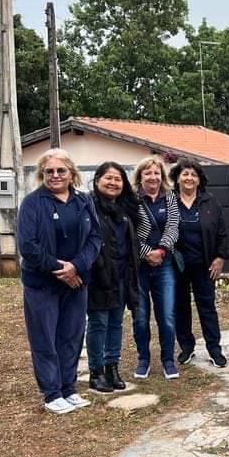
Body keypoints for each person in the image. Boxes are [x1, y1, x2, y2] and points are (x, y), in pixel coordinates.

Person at [17, 148, 101, 415]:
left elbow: (95, 239)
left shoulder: (85, 201)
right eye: (49, 171)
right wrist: (60, 268)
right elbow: (27, 245)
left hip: (76, 282)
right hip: (43, 283)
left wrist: (76, 266)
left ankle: (68, 388)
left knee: (71, 337)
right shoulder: (32, 203)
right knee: (45, 339)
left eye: (60, 170)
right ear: (42, 174)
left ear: (71, 173)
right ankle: (52, 393)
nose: (55, 175)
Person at [170, 158, 229, 369]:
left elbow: (222, 232)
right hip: (176, 266)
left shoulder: (210, 201)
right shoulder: (169, 201)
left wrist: (220, 258)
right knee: (180, 307)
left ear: (199, 179)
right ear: (177, 178)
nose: (189, 178)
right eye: (185, 174)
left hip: (205, 265)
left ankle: (214, 350)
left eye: (193, 175)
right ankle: (186, 347)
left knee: (207, 307)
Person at [86, 161, 140, 393]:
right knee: (99, 323)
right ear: (97, 180)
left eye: (118, 179)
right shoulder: (88, 207)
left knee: (116, 324)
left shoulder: (125, 210)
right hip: (99, 276)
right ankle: (96, 372)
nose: (113, 183)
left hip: (121, 276)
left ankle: (112, 367)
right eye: (108, 178)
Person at [132, 155, 180, 380]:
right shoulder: (131, 199)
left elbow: (173, 227)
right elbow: (128, 233)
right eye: (148, 173)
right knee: (140, 316)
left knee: (167, 316)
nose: (153, 177)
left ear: (162, 176)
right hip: (138, 266)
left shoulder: (170, 198)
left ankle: (168, 360)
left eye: (157, 173)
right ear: (140, 176)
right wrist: (146, 253)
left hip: (164, 263)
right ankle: (143, 359)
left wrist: (160, 251)